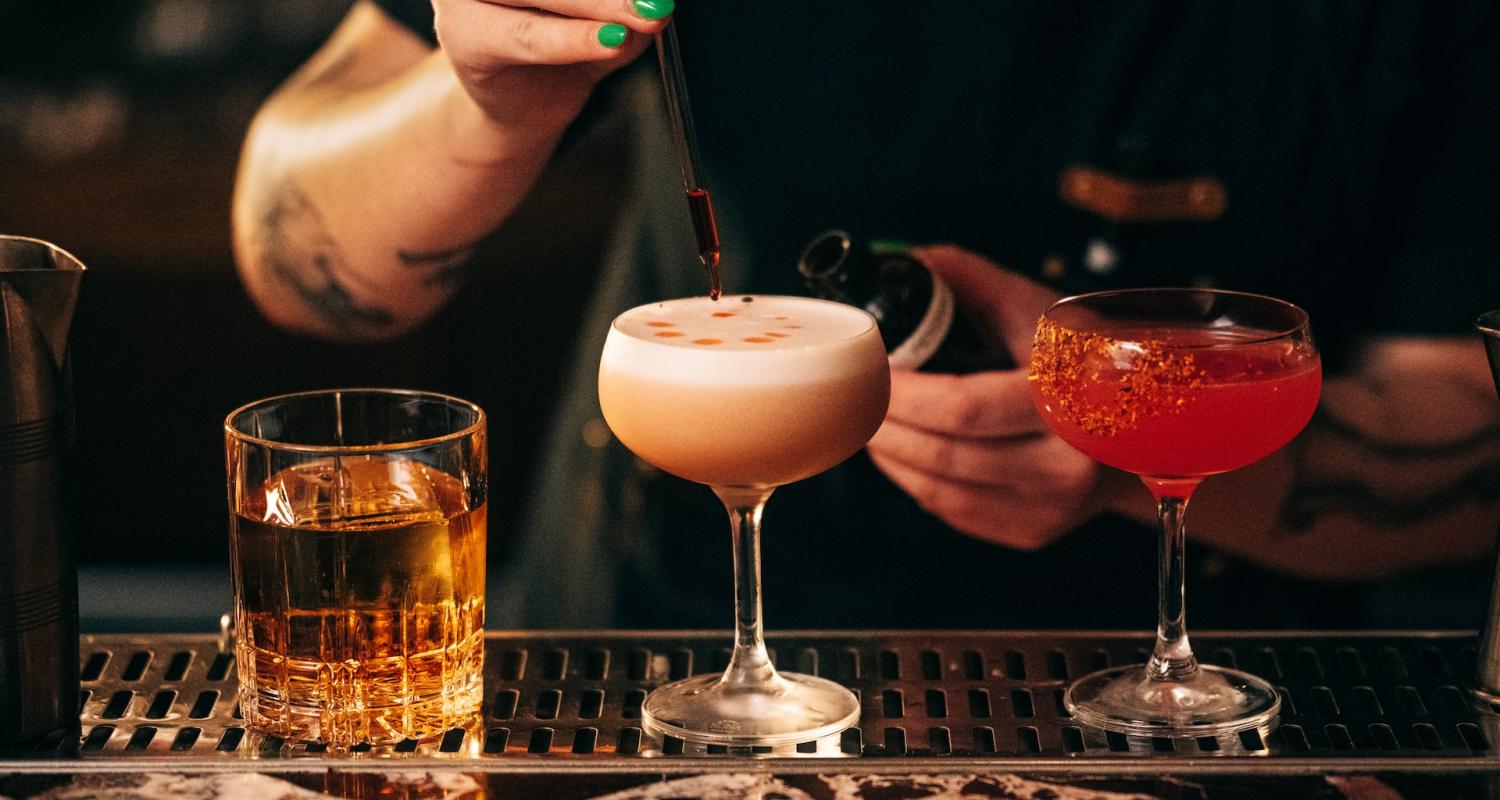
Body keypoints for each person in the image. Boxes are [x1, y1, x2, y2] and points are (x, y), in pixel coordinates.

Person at [231, 1, 1500, 631]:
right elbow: (300, 251)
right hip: (650, 651)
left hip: (1203, 690)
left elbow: (1469, 417)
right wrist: (487, 106)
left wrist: (1135, 449)